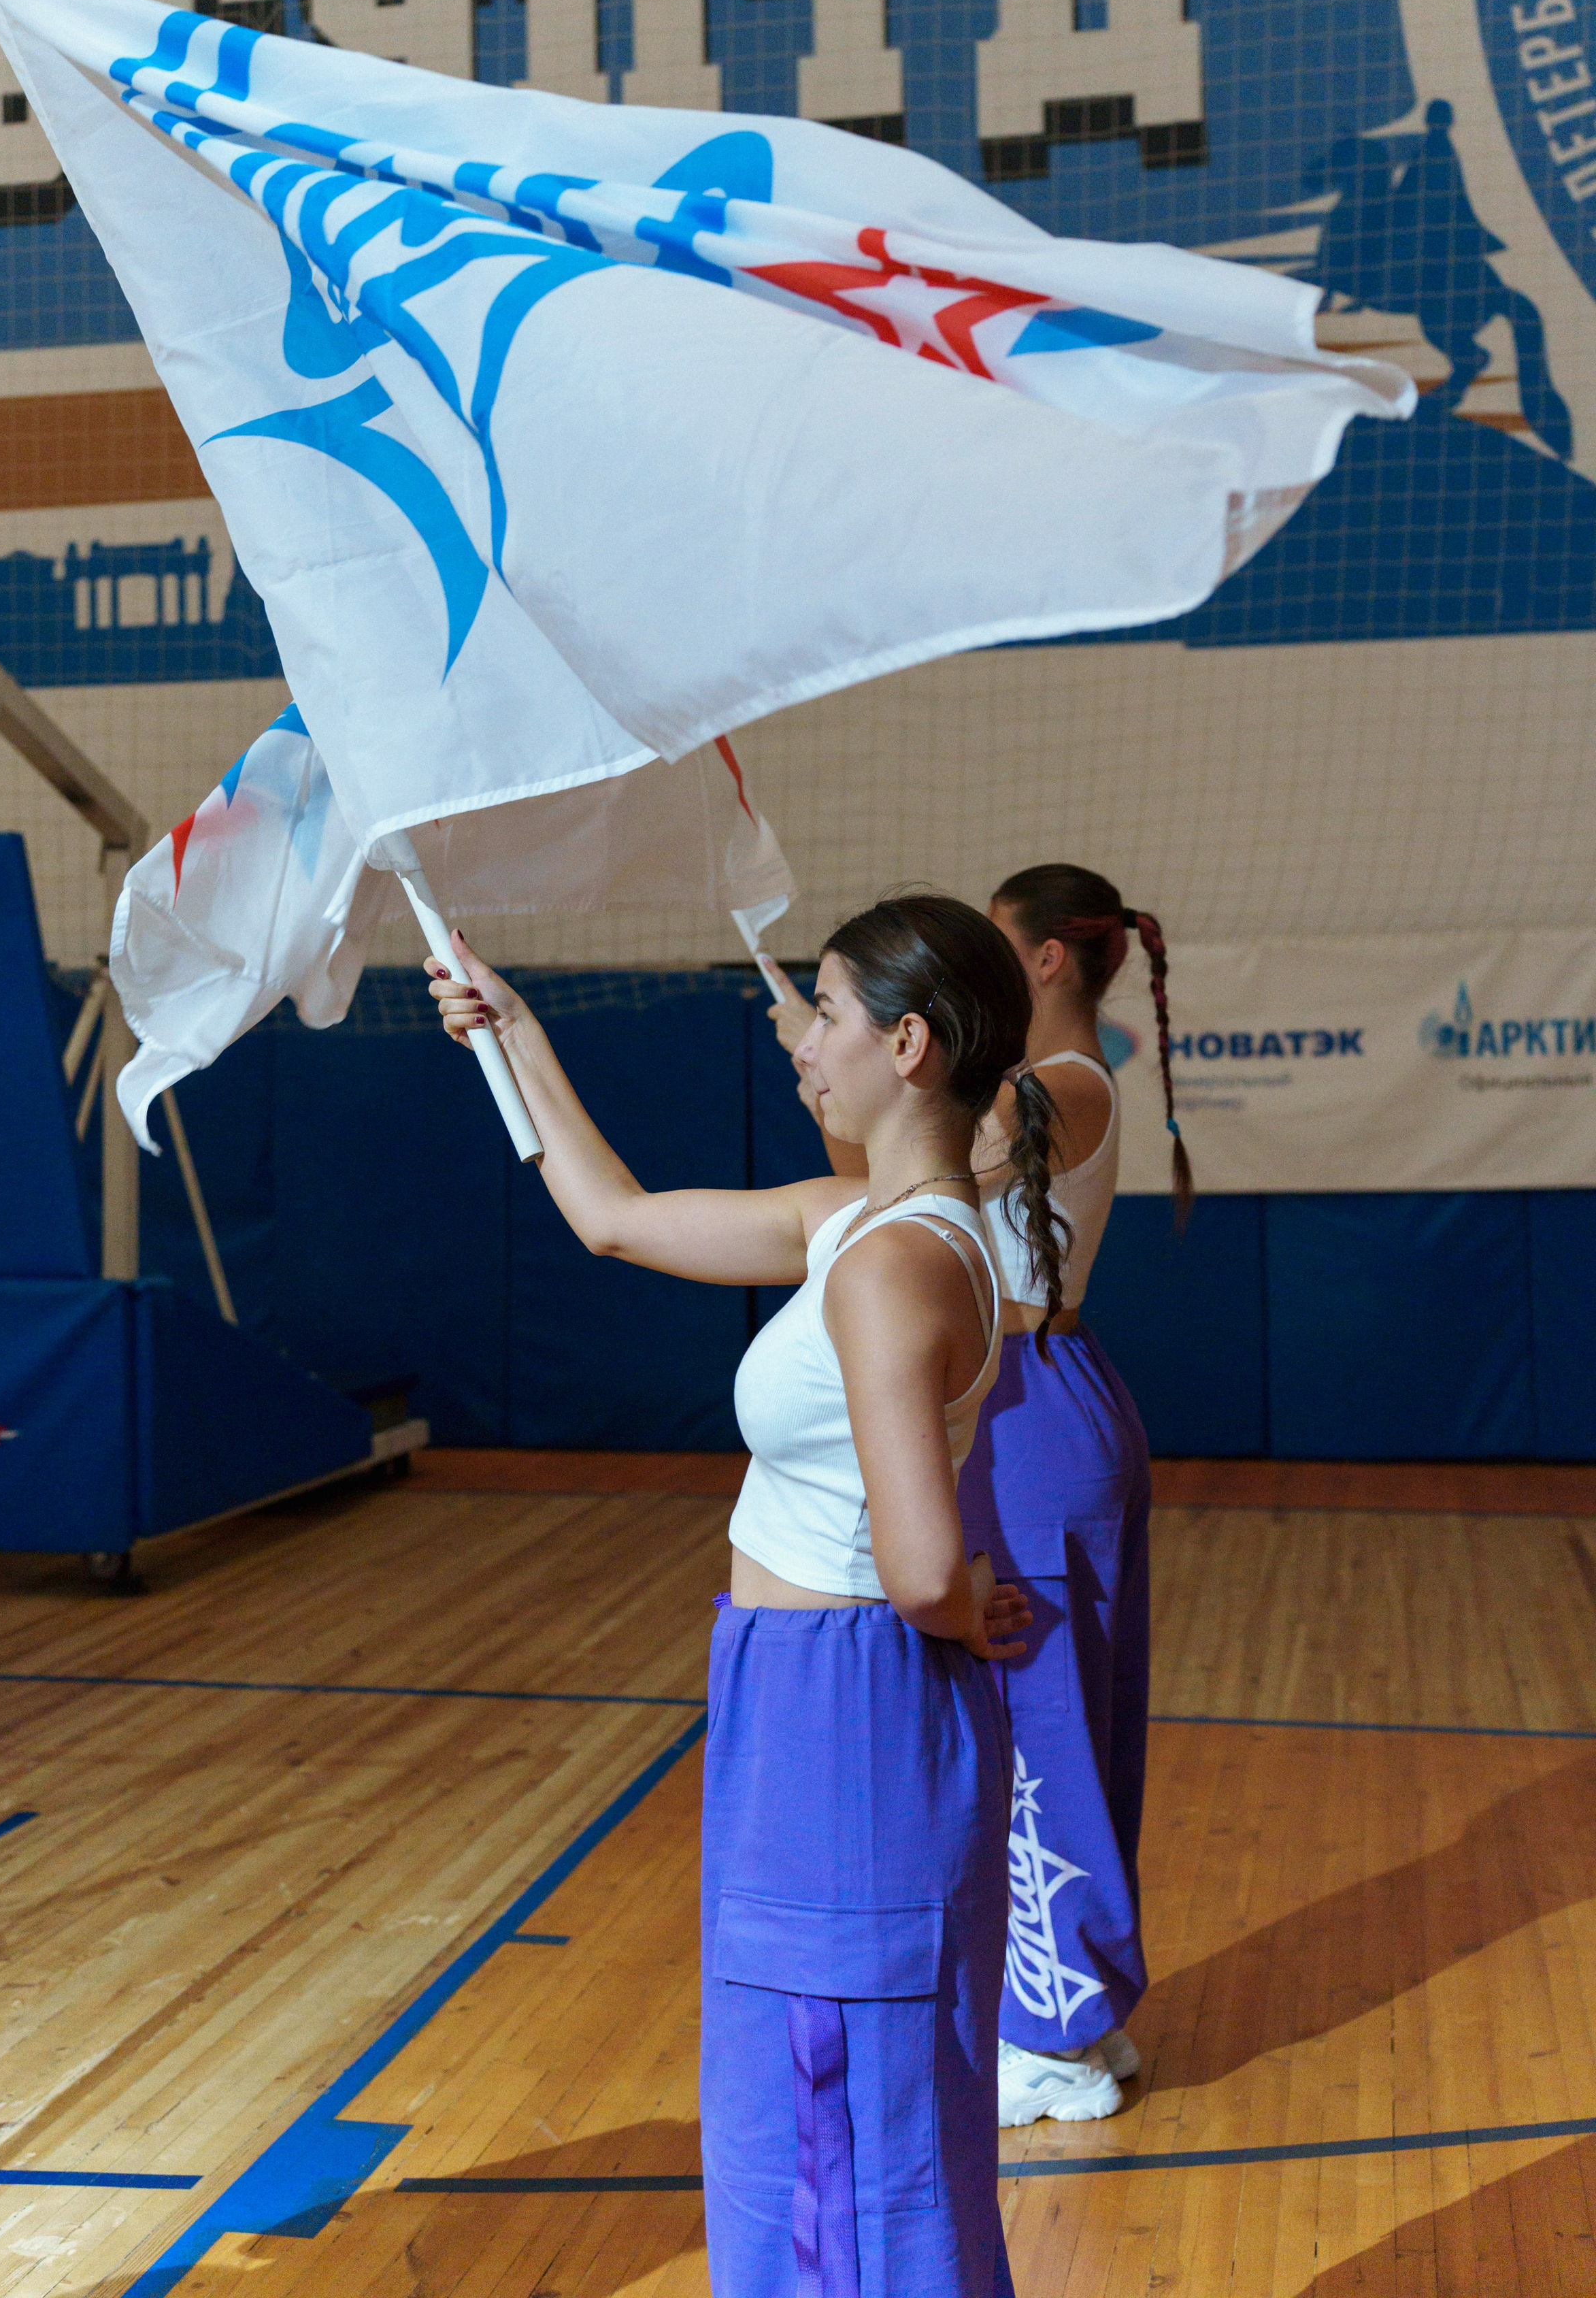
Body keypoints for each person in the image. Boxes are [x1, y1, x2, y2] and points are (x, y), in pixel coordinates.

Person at [428, 893, 1063, 2295]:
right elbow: (613, 1220)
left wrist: (960, 1603)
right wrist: (510, 1034)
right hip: (808, 1691)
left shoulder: (892, 1263)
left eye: (824, 1013)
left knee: (840, 2116)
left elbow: (917, 1568)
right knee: (825, 2107)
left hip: (844, 1712)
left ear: (908, 1045)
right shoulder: (863, 1222)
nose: (801, 1040)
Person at [761, 863, 1189, 2129]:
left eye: (998, 945)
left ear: (1047, 961)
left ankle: (1055, 2035)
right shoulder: (1012, 1093)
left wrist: (856, 1058)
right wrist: (831, 1068)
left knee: (1044, 1726)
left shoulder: (1069, 1080)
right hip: (1030, 1396)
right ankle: (1078, 2010)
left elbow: (942, 1147)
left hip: (1037, 1403)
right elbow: (885, 1170)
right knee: (1045, 1713)